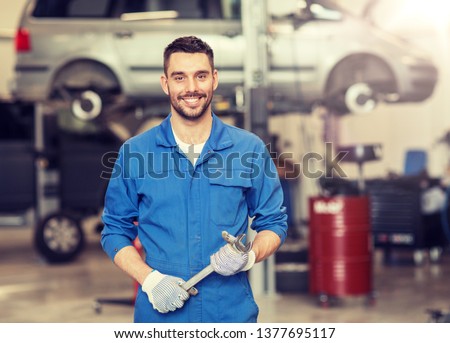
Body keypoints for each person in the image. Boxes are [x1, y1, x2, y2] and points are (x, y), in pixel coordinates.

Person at [101, 35, 288, 323]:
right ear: (166, 84)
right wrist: (149, 280)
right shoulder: (135, 152)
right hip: (160, 317)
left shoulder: (248, 149)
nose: (191, 88)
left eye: (200, 76)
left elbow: (274, 223)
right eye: (180, 77)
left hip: (230, 315)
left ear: (214, 79)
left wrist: (248, 256)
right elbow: (114, 229)